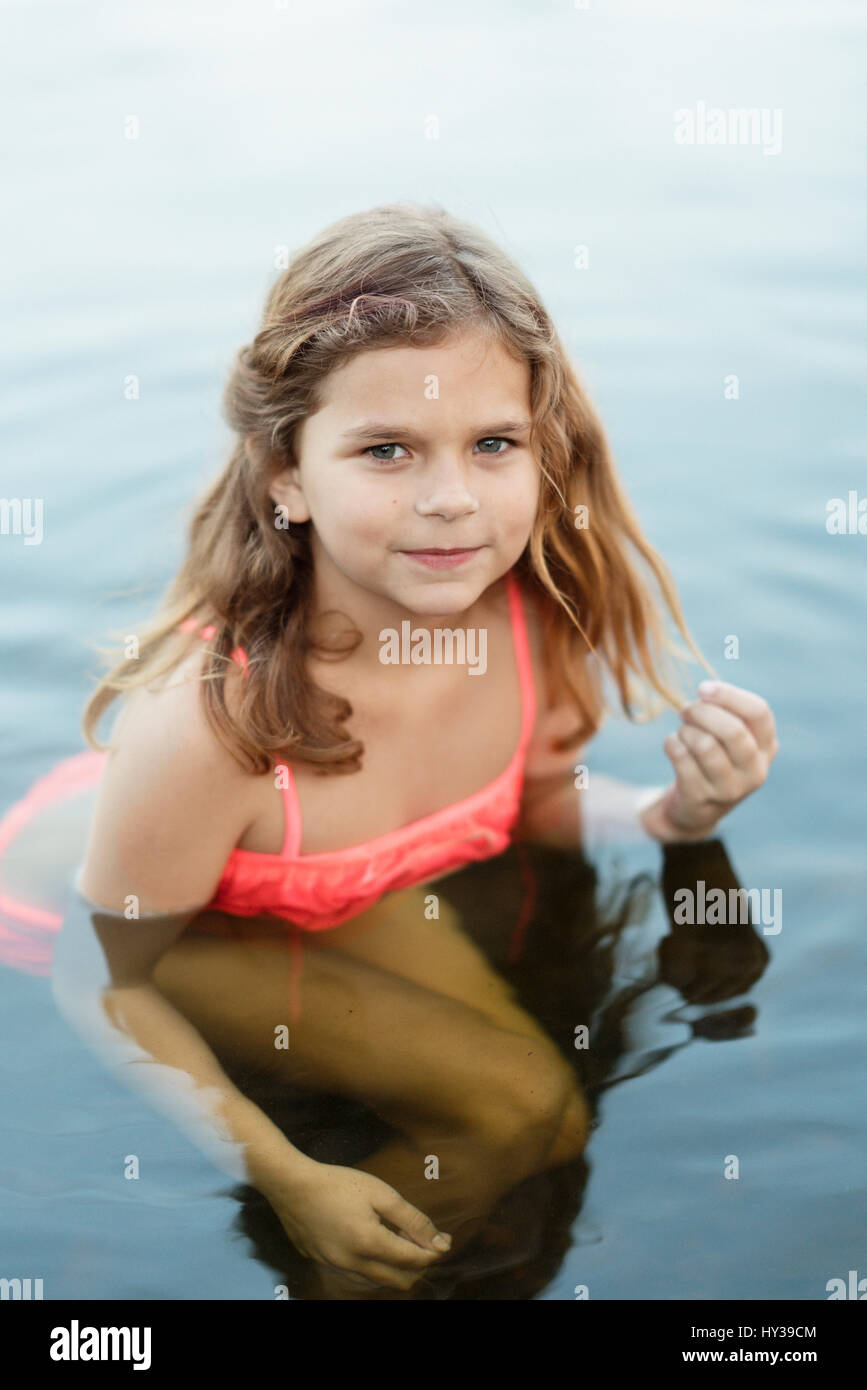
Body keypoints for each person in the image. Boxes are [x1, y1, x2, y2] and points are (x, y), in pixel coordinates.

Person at [0, 202, 778, 1296]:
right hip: (155, 918)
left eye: (493, 443)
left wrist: (673, 820)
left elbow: (534, 807)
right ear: (286, 475)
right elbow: (105, 973)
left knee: (550, 1119)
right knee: (520, 1102)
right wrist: (282, 1172)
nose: (451, 498)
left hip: (349, 886)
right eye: (386, 450)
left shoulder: (533, 622)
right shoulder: (214, 729)